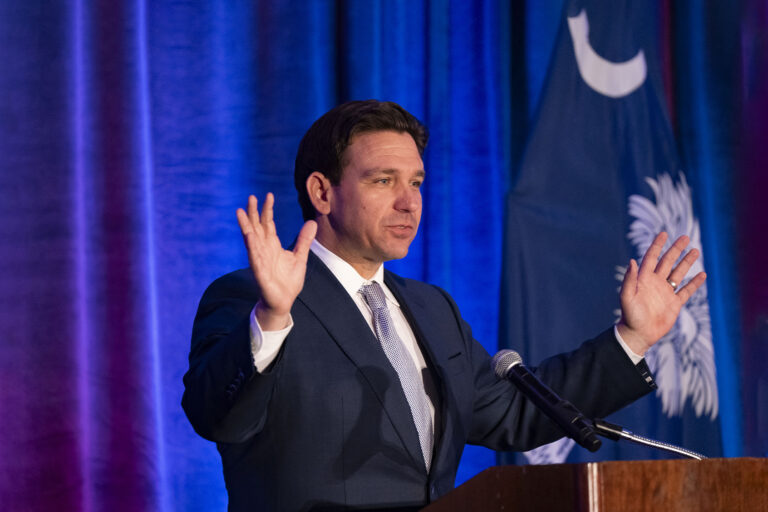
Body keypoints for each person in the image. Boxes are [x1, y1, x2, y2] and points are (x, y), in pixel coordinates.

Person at [182, 100, 706, 511]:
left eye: (416, 183)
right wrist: (272, 319)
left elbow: (516, 415)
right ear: (322, 191)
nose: (409, 202)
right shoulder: (251, 298)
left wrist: (633, 339)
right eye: (383, 181)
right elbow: (217, 416)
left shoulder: (432, 309)